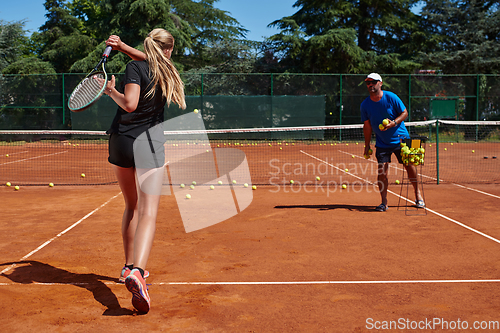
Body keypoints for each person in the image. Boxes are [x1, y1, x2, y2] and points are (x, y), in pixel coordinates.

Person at [104, 29, 186, 313]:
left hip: (122, 141)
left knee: (131, 206)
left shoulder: (133, 66)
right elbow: (132, 103)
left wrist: (110, 89)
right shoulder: (167, 71)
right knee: (149, 212)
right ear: (169, 50)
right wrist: (117, 89)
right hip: (149, 143)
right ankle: (139, 270)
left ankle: (127, 268)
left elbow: (127, 104)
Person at [360, 73, 424, 212]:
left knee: (410, 167)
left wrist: (394, 123)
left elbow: (405, 113)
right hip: (382, 143)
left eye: (373, 82)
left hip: (401, 140)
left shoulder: (391, 97)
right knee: (382, 172)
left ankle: (418, 195)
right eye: (368, 83)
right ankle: (384, 202)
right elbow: (367, 126)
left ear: (380, 83)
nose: (370, 85)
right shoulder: (365, 105)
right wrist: (367, 146)